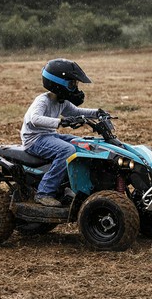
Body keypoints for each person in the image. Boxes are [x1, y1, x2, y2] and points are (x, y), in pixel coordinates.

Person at [20, 58, 109, 206]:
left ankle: (70, 185)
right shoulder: (43, 101)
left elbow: (75, 112)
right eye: (72, 84)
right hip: (34, 139)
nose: (75, 88)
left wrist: (97, 113)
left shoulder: (62, 101)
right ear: (58, 83)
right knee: (66, 150)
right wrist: (60, 122)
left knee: (81, 143)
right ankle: (44, 193)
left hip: (49, 135)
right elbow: (34, 119)